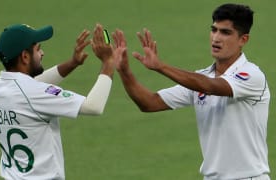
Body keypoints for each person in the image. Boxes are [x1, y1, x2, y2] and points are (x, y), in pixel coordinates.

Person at [112, 3, 270, 180]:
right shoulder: (199, 79)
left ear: (243, 39)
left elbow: (211, 87)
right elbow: (149, 103)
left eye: (225, 32)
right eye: (214, 30)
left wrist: (160, 66)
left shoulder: (251, 75)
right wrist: (124, 71)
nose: (216, 38)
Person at [0, 23, 115, 179]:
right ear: (25, 57)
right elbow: (94, 106)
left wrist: (72, 63)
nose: (42, 53)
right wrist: (108, 62)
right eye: (38, 49)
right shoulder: (33, 93)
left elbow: (33, 85)